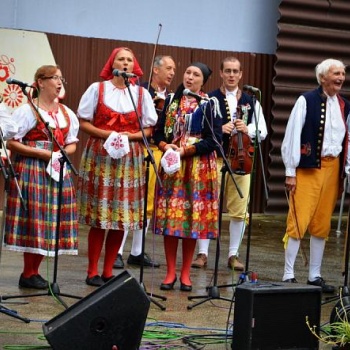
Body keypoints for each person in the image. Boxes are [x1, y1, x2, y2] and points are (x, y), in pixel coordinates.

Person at [77, 47, 158, 287]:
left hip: (129, 156)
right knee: (100, 216)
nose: (125, 63)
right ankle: (92, 270)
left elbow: (150, 128)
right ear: (112, 63)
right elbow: (83, 121)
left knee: (121, 216)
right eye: (120, 59)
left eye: (129, 60)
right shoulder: (97, 89)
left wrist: (128, 137)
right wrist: (107, 134)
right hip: (101, 153)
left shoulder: (141, 94)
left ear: (134, 66)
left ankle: (108, 270)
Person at [3, 65, 79, 289]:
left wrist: (60, 155)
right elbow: (11, 141)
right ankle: (29, 272)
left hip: (56, 168)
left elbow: (72, 143)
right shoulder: (28, 110)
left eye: (60, 78)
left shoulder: (66, 113)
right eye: (54, 78)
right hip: (32, 169)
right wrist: (43, 153)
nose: (59, 82)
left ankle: (33, 272)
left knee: (52, 220)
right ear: (40, 82)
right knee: (35, 219)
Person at [191, 56, 267, 271]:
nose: (232, 75)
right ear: (222, 73)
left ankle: (233, 254)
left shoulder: (252, 101)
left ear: (241, 74)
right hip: (213, 158)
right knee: (207, 205)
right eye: (228, 71)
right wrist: (219, 129)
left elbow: (262, 131)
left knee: (240, 210)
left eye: (235, 71)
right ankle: (203, 253)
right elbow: (198, 128)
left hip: (241, 160)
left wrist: (247, 129)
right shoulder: (210, 98)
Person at [281, 58, 350, 293]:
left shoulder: (344, 105)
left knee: (322, 223)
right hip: (308, 168)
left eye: (342, 73)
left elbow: (347, 141)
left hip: (333, 170)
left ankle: (314, 275)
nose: (341, 77)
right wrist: (290, 171)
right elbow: (292, 135)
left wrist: (345, 172)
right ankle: (288, 273)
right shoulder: (306, 100)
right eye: (336, 73)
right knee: (299, 219)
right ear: (322, 77)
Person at [153, 62, 222, 291]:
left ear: (203, 81)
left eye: (196, 75)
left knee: (192, 220)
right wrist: (166, 146)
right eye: (188, 73)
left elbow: (214, 140)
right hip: (173, 166)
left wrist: (187, 150)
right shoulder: (173, 100)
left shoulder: (209, 104)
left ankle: (185, 274)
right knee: (171, 220)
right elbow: (158, 132)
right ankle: (170, 272)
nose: (190, 77)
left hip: (198, 169)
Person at [113, 55, 176, 269]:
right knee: (129, 200)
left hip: (156, 151)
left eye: (174, 69)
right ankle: (117, 251)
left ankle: (137, 251)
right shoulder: (139, 91)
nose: (172, 73)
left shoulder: (170, 99)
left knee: (148, 204)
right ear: (155, 70)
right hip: (136, 148)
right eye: (168, 68)